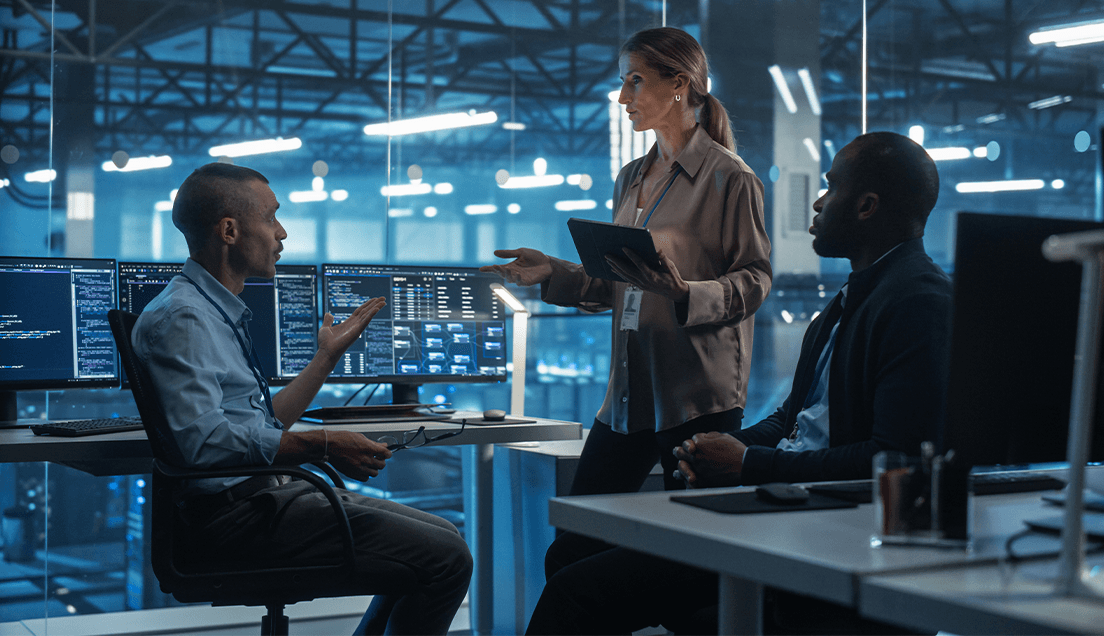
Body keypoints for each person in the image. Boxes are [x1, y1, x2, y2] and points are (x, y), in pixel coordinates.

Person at [525, 131, 952, 635]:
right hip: (783, 498)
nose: (817, 201)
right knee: (573, 551)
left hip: (815, 523)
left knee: (577, 593)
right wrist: (723, 447)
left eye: (830, 188)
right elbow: (793, 419)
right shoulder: (847, 303)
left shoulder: (917, 304)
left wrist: (749, 463)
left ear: (866, 206)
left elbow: (893, 460)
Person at [482, 25, 772, 580]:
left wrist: (686, 293)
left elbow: (755, 279)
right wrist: (555, 274)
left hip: (696, 398)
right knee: (573, 545)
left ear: (680, 85)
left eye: (635, 82)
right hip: (628, 393)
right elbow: (616, 283)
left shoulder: (730, 180)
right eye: (623, 83)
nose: (623, 98)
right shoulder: (631, 178)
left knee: (695, 568)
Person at [132, 163, 472, 636]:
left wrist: (325, 359)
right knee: (447, 558)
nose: (282, 232)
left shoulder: (209, 310)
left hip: (259, 500)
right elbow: (204, 444)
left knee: (445, 539)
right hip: (233, 520)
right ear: (229, 230)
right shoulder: (186, 318)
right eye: (271, 218)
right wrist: (324, 443)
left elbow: (262, 428)